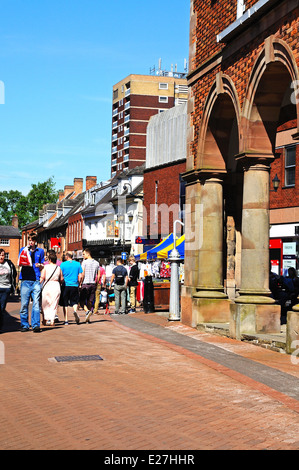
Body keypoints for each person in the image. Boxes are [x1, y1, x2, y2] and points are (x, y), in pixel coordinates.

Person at [18, 232, 45, 332]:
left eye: (32, 240)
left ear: (35, 241)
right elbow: (19, 263)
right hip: (25, 279)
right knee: (24, 304)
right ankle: (24, 325)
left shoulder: (40, 251)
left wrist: (40, 266)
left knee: (36, 303)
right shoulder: (23, 250)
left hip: (36, 280)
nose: (31, 242)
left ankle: (35, 325)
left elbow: (43, 265)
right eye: (29, 240)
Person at [40, 250, 63, 326]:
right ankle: (52, 320)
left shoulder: (45, 267)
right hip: (56, 285)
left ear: (49, 260)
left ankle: (45, 319)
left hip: (47, 285)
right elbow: (61, 279)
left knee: (45, 303)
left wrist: (37, 283)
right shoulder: (58, 268)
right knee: (54, 303)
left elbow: (42, 278)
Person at [60, 251, 83, 324]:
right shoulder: (78, 264)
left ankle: (66, 320)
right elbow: (81, 276)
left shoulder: (62, 264)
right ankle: (75, 311)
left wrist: (60, 282)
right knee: (74, 301)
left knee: (65, 303)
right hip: (74, 285)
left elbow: (61, 276)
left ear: (67, 256)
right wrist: (79, 284)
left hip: (65, 285)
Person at [79, 248, 101, 322]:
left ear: (88, 254)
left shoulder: (84, 262)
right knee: (90, 301)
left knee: (81, 301)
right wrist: (97, 283)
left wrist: (80, 283)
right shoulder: (97, 263)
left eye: (84, 254)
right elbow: (98, 275)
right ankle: (88, 318)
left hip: (85, 283)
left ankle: (87, 312)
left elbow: (83, 273)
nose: (83, 255)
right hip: (93, 284)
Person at [0, 249, 17, 333]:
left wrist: (12, 286)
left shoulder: (9, 264)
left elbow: (14, 274)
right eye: (0, 255)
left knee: (2, 308)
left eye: (2, 255)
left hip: (6, 288)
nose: (1, 257)